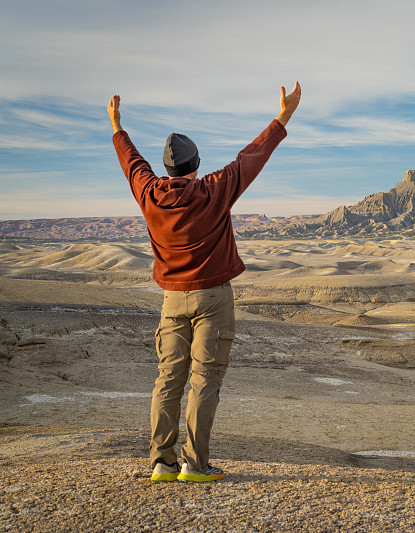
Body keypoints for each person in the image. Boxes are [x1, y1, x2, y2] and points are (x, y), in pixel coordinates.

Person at [108, 82, 301, 482]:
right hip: (213, 298)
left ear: (167, 169)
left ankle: (161, 462)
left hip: (171, 301)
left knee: (168, 379)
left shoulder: (149, 193)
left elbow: (132, 162)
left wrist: (117, 126)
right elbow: (252, 157)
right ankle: (194, 465)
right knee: (204, 380)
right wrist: (283, 116)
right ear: (195, 165)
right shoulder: (214, 190)